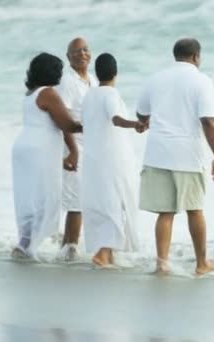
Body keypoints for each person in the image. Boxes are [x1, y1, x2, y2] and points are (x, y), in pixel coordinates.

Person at [136, 38, 214, 276]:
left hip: (157, 153)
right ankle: (201, 263)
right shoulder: (202, 80)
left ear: (176, 55)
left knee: (166, 212)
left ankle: (162, 264)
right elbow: (209, 121)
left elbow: (142, 113)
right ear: (196, 57)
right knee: (194, 210)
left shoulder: (155, 79)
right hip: (187, 154)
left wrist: (145, 121)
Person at [11, 52, 82, 259]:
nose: (60, 74)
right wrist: (92, 124)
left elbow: (49, 125)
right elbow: (66, 124)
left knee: (29, 199)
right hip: (38, 150)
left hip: (25, 148)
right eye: (58, 70)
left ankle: (24, 245)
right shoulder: (48, 93)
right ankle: (27, 248)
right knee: (44, 199)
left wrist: (64, 157)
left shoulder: (30, 93)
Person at [81, 53, 144, 268]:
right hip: (112, 157)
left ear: (97, 73)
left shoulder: (89, 95)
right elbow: (116, 120)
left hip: (93, 156)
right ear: (116, 73)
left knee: (103, 202)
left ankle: (108, 254)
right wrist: (136, 124)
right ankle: (103, 253)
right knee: (116, 200)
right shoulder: (111, 95)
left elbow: (87, 124)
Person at [55, 37, 99, 261]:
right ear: (68, 57)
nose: (83, 54)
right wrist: (72, 150)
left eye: (86, 50)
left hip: (91, 148)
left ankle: (68, 250)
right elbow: (62, 118)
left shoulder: (91, 79)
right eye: (77, 51)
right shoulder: (67, 82)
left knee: (84, 201)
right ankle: (68, 251)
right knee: (75, 203)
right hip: (74, 148)